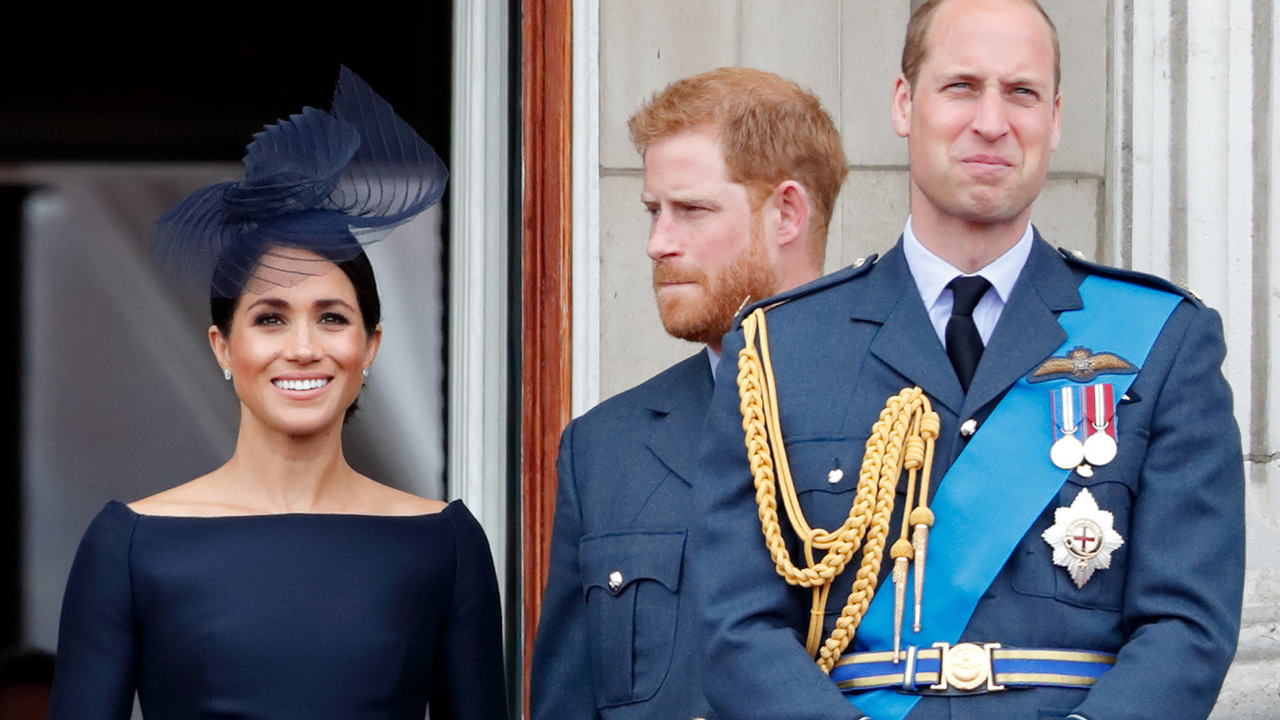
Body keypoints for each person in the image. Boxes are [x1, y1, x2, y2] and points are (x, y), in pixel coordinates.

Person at [692, 2, 1245, 720]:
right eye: (960, 87)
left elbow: (1187, 626)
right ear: (904, 103)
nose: (992, 121)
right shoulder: (780, 349)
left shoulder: (1164, 338)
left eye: (1021, 92)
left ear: (1054, 117)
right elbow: (737, 626)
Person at [48, 68, 507, 720]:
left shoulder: (444, 543)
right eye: (269, 317)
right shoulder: (131, 543)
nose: (302, 347)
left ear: (370, 345)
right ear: (222, 348)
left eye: (331, 317)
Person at [531, 67, 848, 720]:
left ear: (787, 212)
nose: (657, 244)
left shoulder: (909, 417)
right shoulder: (604, 451)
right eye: (653, 211)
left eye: (692, 210)